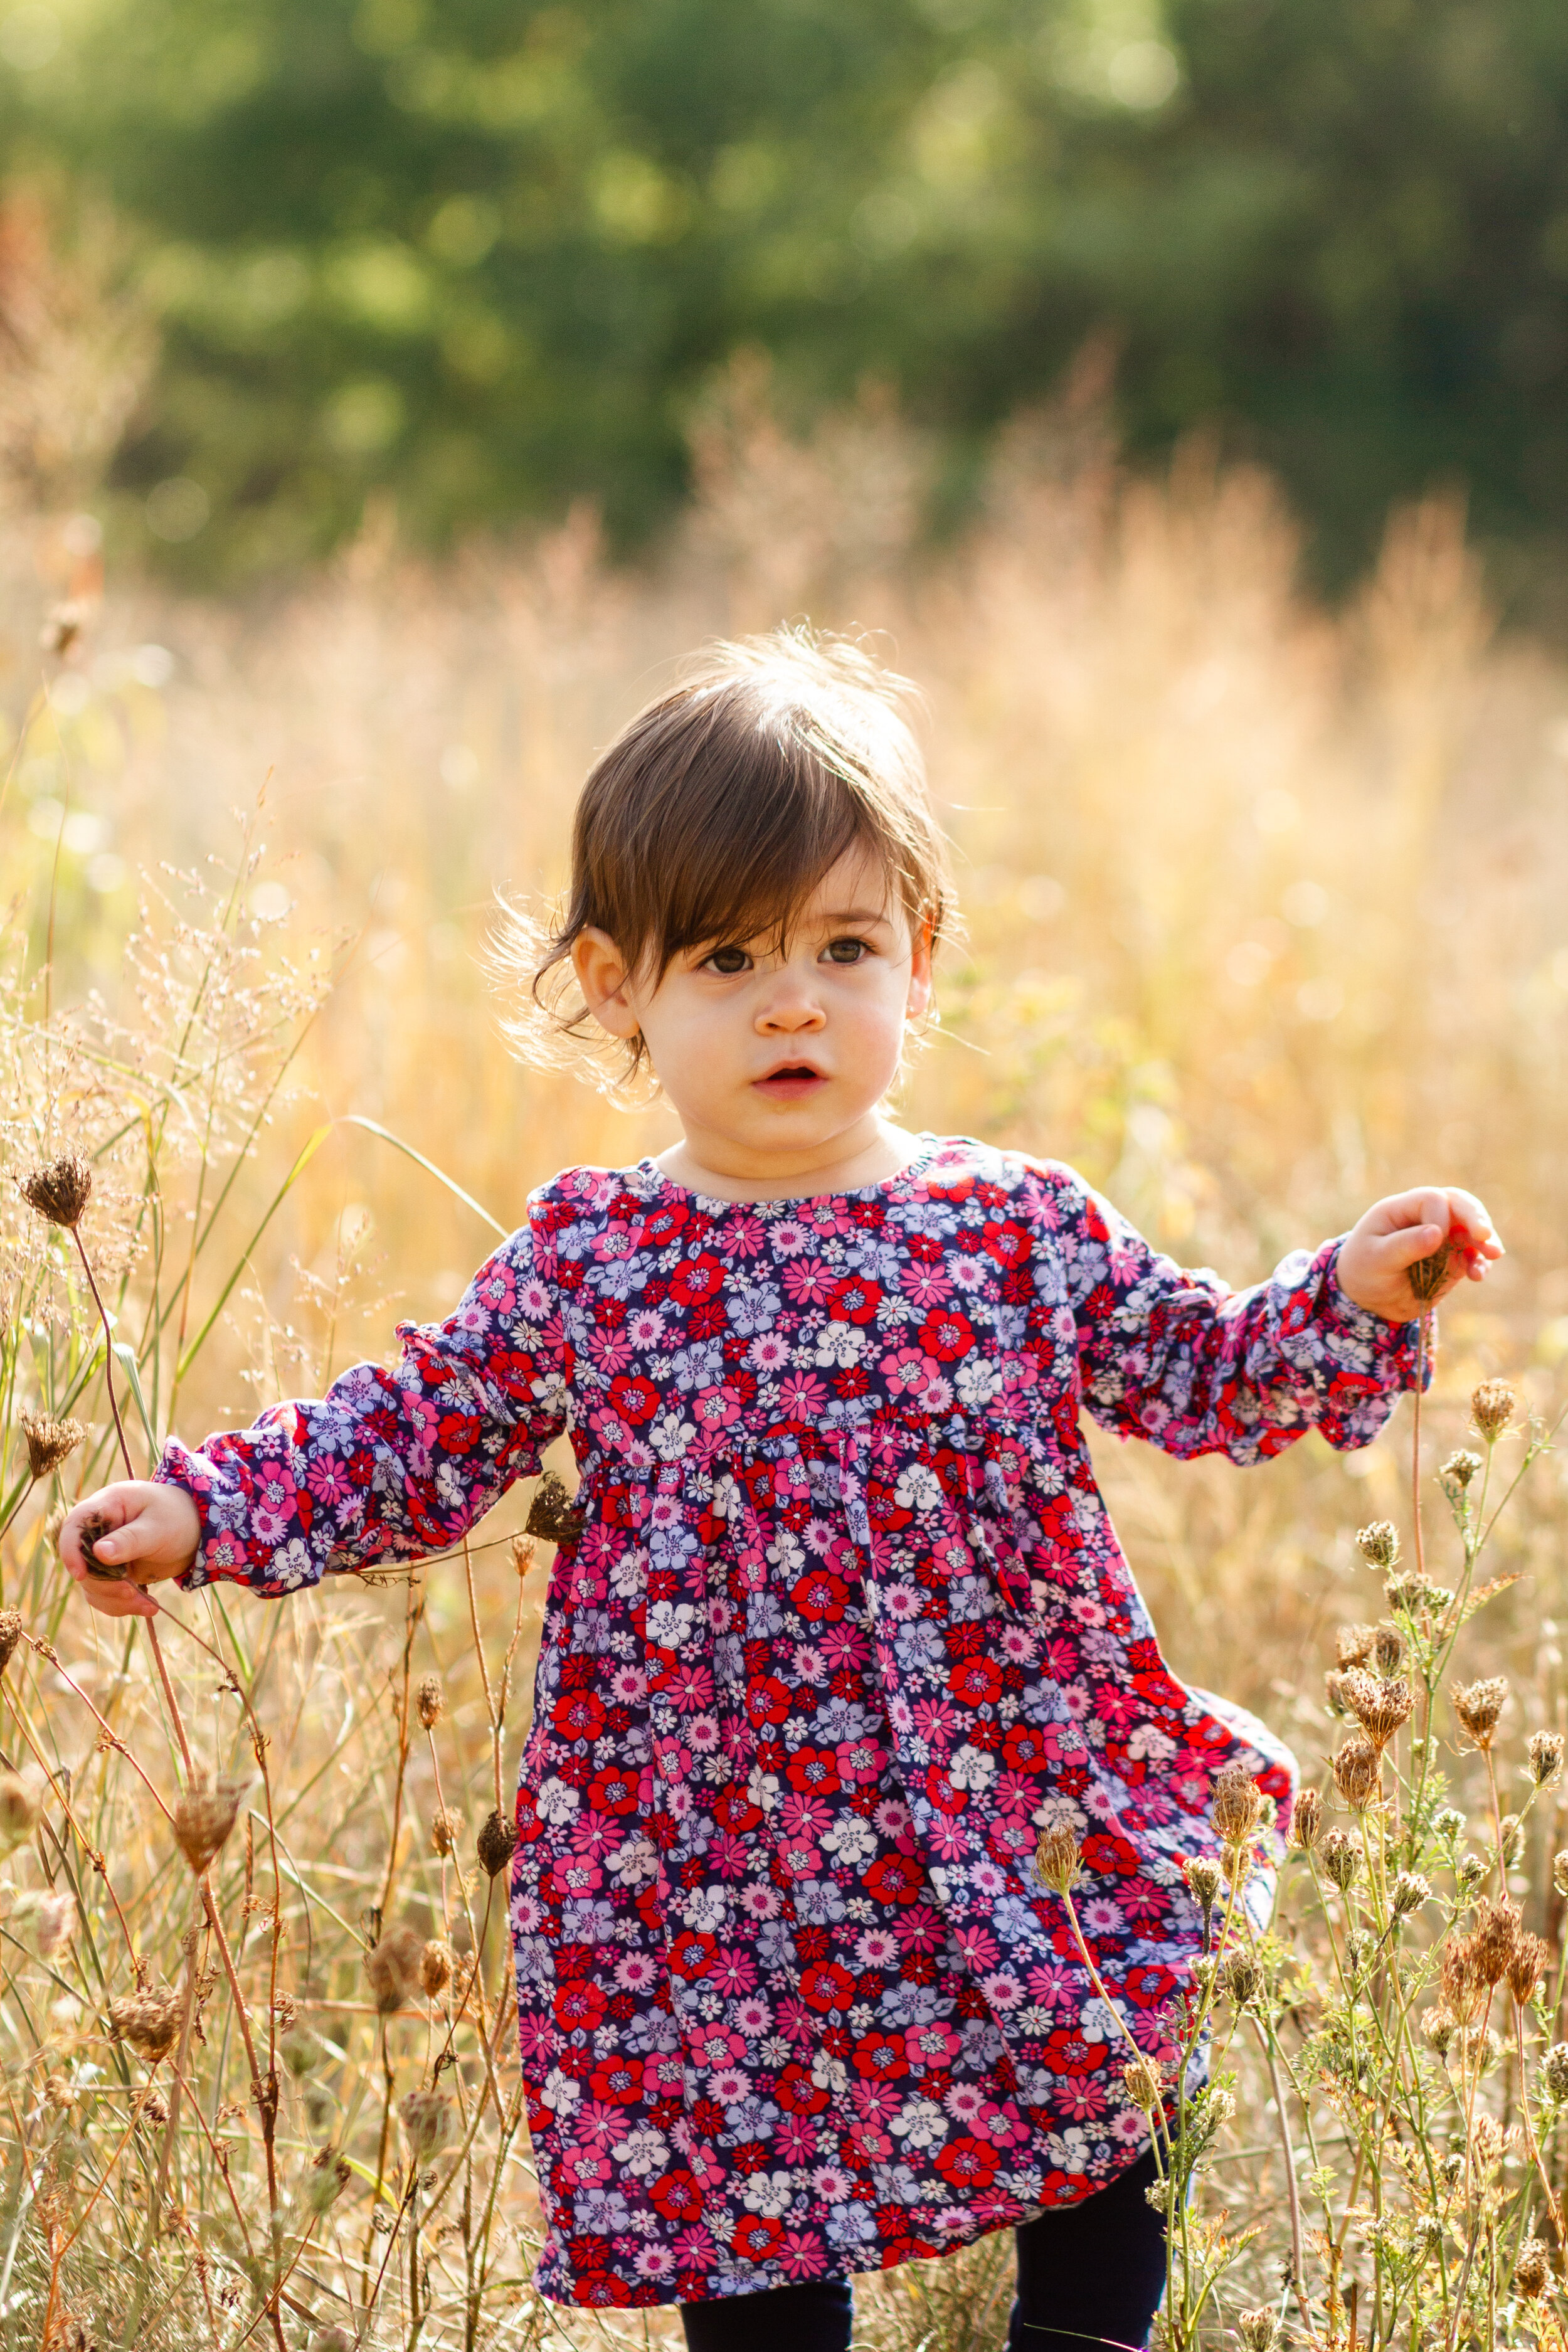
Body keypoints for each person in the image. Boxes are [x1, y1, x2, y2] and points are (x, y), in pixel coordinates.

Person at [59, 630, 1502, 2350]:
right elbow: (418, 1435)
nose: (795, 999)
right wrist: (209, 1511)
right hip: (707, 1846)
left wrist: (1348, 1291)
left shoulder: (1008, 1227)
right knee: (744, 2199)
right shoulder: (596, 1255)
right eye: (730, 956)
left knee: (1107, 2103)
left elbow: (1201, 1368)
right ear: (617, 985)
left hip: (1003, 1790)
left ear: (918, 956)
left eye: (843, 947)